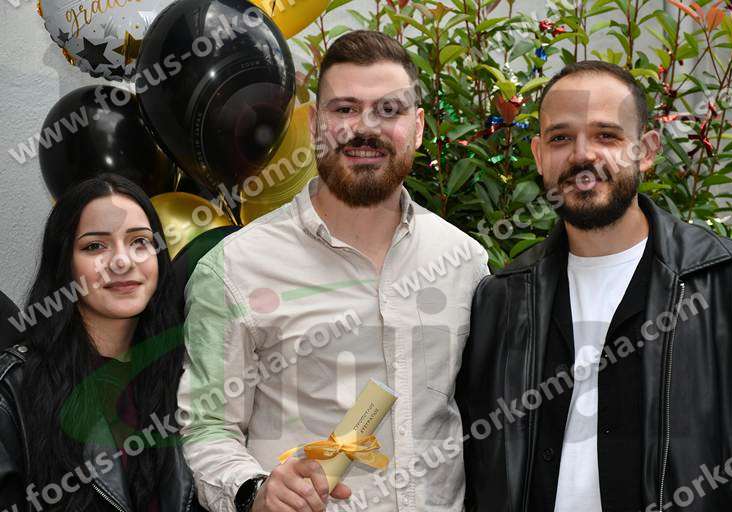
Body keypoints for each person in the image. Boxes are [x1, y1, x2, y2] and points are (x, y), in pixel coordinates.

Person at [178, 30, 489, 512]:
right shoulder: (235, 268)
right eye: (345, 109)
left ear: (418, 127)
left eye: (389, 110)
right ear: (314, 123)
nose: (365, 127)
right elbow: (207, 428)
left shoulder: (464, 262)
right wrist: (255, 490)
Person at [457, 60, 732, 512]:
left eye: (607, 135)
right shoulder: (502, 298)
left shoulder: (731, 282)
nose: (583, 156)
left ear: (647, 150)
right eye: (560, 138)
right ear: (539, 156)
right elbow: (473, 462)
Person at [0, 174, 200, 511]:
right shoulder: (14, 389)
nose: (122, 261)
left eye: (140, 241)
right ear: (64, 264)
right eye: (95, 246)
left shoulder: (188, 369)